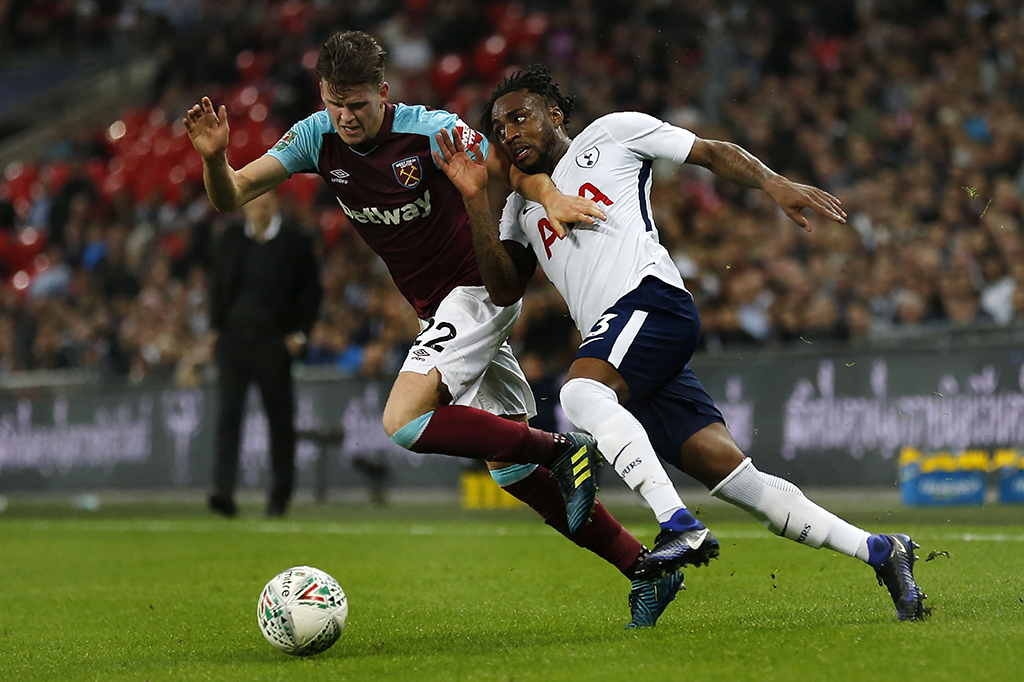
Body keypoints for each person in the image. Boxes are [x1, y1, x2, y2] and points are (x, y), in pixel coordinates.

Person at [185, 30, 678, 628]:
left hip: (475, 290)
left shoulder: (428, 130)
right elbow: (230, 196)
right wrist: (215, 159)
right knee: (512, 470)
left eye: (360, 103)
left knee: (402, 420)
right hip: (437, 309)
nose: (347, 116)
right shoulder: (316, 137)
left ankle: (562, 446)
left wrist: (548, 194)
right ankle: (646, 570)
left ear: (384, 94)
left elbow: (511, 170)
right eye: (336, 102)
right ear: (322, 95)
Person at [433, 64, 927, 621]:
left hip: (650, 301)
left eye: (520, 118)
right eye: (499, 130)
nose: (510, 134)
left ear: (556, 113)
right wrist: (475, 198)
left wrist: (771, 181)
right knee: (738, 480)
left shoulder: (613, 133)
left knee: (576, 396)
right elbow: (502, 288)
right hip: (622, 344)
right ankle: (883, 550)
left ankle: (678, 524)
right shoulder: (518, 211)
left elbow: (710, 152)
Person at [208, 190, 322, 517]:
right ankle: (222, 493)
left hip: (275, 342)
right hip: (234, 341)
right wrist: (216, 328)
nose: (259, 210)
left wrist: (300, 334)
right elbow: (217, 285)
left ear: (274, 205)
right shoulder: (230, 238)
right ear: (244, 208)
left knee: (280, 421)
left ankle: (279, 496)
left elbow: (311, 291)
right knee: (228, 417)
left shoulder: (295, 241)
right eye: (254, 205)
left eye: (265, 204)